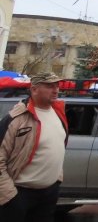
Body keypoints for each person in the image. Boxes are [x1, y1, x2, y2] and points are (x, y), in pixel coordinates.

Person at [0, 72, 68, 222]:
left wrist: (56, 181)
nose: (56, 90)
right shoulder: (17, 118)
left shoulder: (59, 113)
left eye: (57, 86)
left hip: (48, 194)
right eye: (50, 86)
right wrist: (9, 195)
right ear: (34, 89)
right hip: (19, 194)